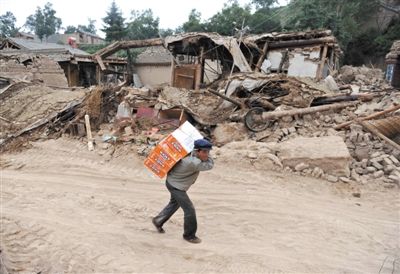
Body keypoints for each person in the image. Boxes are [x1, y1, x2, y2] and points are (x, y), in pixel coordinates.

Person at [152, 138, 214, 244]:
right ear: (197, 151)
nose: (207, 155)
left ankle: (158, 220)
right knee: (189, 210)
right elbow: (210, 165)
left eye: (208, 152)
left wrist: (204, 152)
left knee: (174, 204)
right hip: (176, 187)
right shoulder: (193, 162)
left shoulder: (188, 152)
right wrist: (209, 158)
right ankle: (189, 235)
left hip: (172, 181)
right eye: (204, 152)